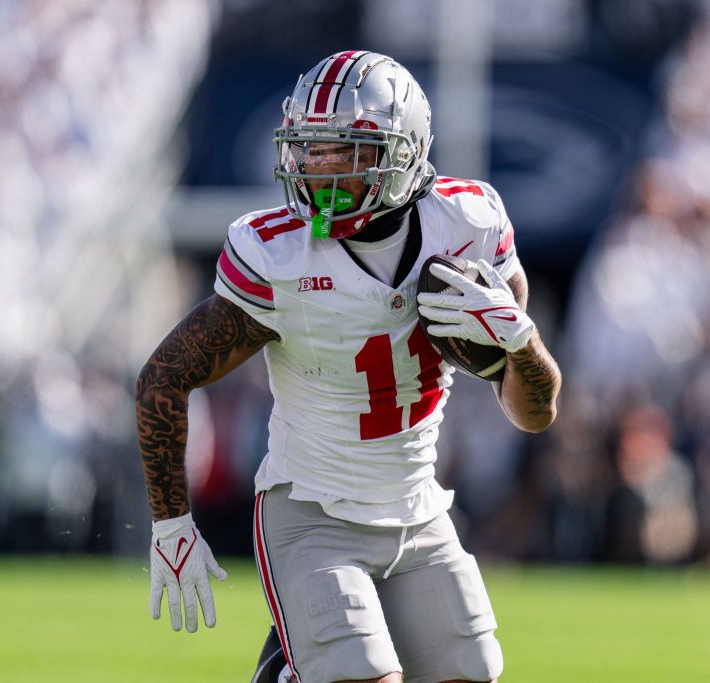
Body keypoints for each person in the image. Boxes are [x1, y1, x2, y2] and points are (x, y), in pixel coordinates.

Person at [136, 50, 562, 683]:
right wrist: (172, 521)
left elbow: (535, 413)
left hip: (418, 512)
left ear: (405, 151)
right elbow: (164, 376)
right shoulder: (277, 254)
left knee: (474, 672)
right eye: (311, 149)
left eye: (347, 151)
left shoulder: (468, 223)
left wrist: (522, 343)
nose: (321, 168)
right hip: (312, 512)